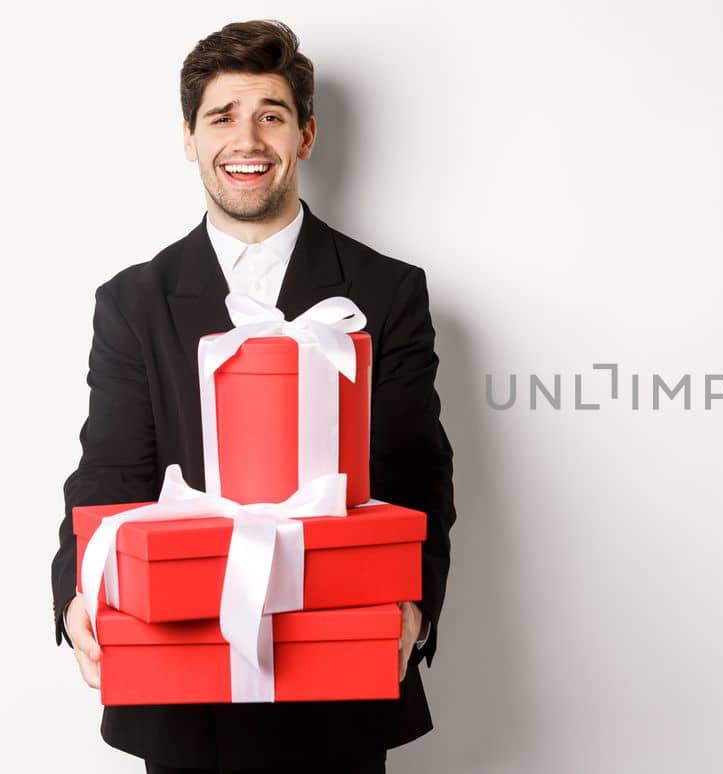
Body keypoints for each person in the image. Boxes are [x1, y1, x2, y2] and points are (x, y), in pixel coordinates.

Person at [47, 19, 456, 773]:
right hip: (182, 682)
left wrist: (413, 602)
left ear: (305, 136)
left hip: (340, 683)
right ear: (189, 138)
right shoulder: (134, 302)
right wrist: (78, 590)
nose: (247, 139)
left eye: (270, 115)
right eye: (222, 117)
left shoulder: (389, 290)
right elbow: (109, 472)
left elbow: (414, 471)